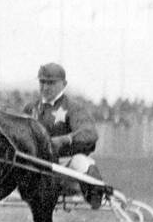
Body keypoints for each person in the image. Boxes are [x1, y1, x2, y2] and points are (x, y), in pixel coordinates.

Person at [25, 63, 104, 208]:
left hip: (62, 167)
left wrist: (64, 140)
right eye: (42, 82)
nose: (46, 87)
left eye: (51, 83)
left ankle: (96, 194)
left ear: (64, 84)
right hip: (34, 168)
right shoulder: (30, 109)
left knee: (81, 161)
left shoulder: (73, 108)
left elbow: (89, 134)